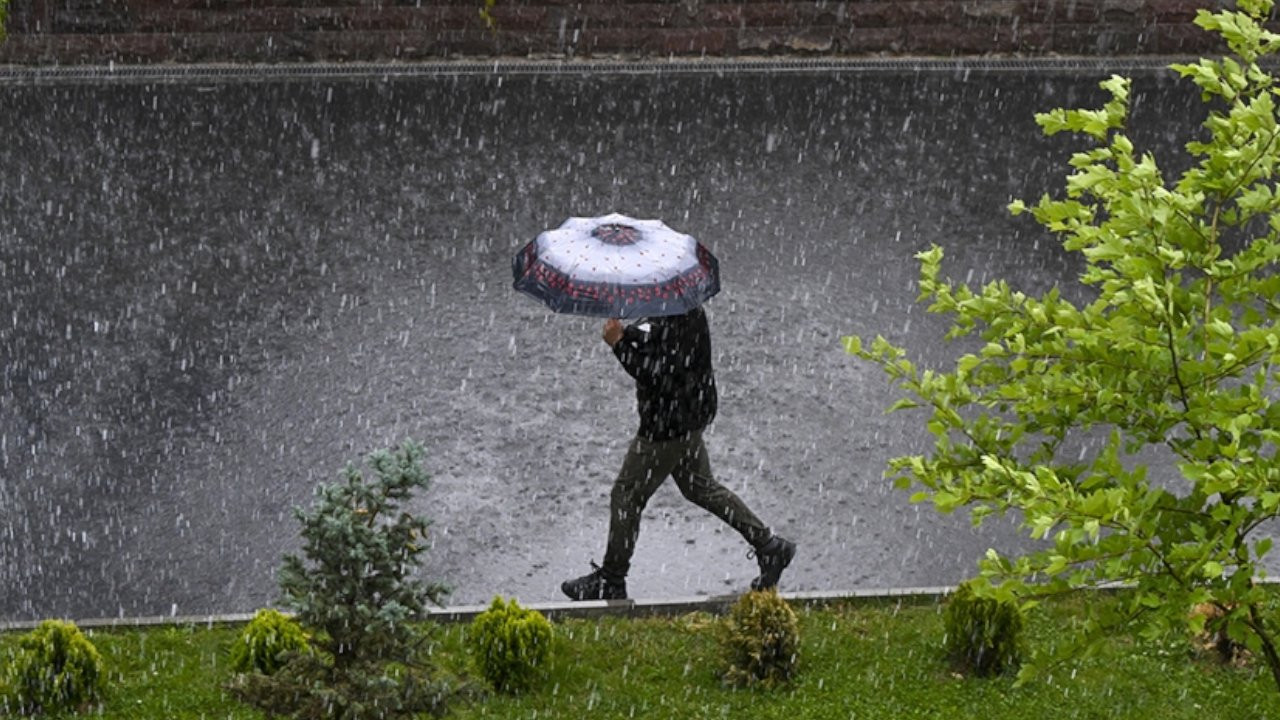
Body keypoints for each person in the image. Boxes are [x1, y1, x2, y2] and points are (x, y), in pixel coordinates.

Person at [561, 305, 796, 601]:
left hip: (667, 426)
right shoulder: (678, 306)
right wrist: (629, 333)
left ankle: (612, 578)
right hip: (688, 415)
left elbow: (657, 374)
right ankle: (771, 547)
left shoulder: (675, 315)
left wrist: (619, 344)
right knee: (699, 486)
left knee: (626, 495)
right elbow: (655, 340)